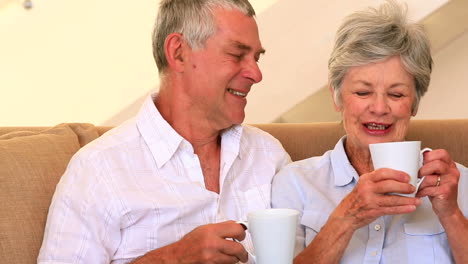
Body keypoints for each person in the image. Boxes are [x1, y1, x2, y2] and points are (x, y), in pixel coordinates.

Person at [38, 0, 291, 263]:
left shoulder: (268, 155)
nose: (256, 74)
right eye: (237, 55)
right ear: (178, 52)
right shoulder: (98, 171)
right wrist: (171, 259)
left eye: (256, 58)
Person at [272, 1, 468, 263]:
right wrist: (347, 217)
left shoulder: (458, 182)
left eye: (396, 94)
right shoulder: (295, 183)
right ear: (337, 97)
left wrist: (451, 214)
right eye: (363, 92)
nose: (379, 108)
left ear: (415, 103)